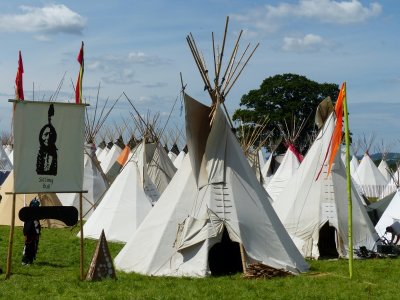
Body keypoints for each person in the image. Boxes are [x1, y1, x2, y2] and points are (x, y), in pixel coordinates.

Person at [22, 198, 41, 266]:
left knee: (32, 248)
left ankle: (30, 260)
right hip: (30, 235)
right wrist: (26, 235)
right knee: (28, 248)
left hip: (34, 235)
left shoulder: (35, 216)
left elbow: (37, 226)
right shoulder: (29, 217)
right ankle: (25, 261)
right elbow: (27, 228)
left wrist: (37, 233)